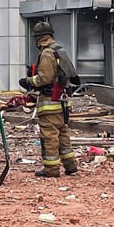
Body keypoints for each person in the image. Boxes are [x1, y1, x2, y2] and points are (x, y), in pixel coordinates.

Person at [19, 22, 79, 178]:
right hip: (62, 101)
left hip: (49, 101)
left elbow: (44, 78)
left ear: (38, 39)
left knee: (49, 136)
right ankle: (70, 166)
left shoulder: (46, 53)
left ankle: (51, 169)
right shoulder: (60, 51)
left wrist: (28, 81)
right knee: (63, 134)